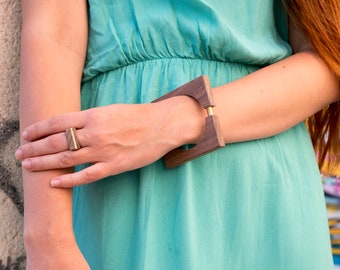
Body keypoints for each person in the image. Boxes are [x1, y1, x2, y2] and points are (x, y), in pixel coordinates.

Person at [16, 0, 339, 269]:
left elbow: (328, 58)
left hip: (262, 189)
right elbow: (52, 35)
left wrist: (169, 122)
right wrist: (48, 239)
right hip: (122, 193)